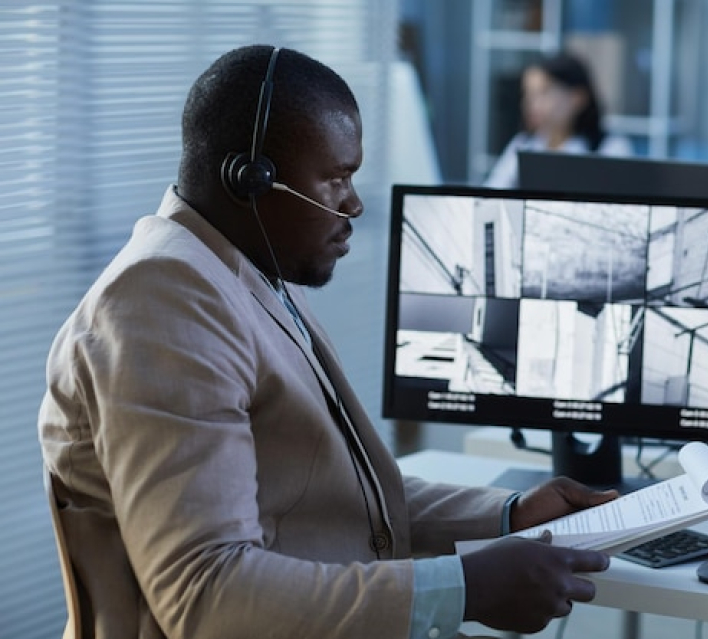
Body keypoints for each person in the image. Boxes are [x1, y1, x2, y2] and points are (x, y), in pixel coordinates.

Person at [37, 44, 618, 639]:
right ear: (251, 179)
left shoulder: (236, 269)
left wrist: (509, 516)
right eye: (337, 177)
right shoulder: (162, 302)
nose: (354, 203)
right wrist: (465, 589)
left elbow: (332, 492)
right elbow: (206, 596)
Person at [484, 51, 634, 189]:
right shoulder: (523, 144)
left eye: (544, 92)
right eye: (528, 94)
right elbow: (491, 196)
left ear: (578, 97)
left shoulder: (610, 149)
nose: (531, 103)